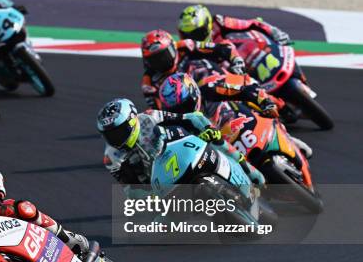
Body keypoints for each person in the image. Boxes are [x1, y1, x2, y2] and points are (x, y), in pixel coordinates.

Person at [96, 98, 265, 193]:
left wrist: (208, 129)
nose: (115, 138)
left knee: (217, 139)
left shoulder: (150, 116)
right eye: (109, 135)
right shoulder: (111, 158)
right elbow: (129, 190)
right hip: (159, 185)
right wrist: (146, 198)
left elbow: (191, 117)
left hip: (175, 151)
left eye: (118, 131)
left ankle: (249, 171)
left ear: (132, 121)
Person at [156, 73, 313, 158]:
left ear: (194, 93)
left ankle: (288, 138)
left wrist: (264, 102)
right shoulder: (175, 122)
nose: (184, 109)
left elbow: (240, 90)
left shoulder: (209, 89)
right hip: (222, 148)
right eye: (179, 108)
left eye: (186, 104)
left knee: (260, 109)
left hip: (240, 121)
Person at [140, 29, 246, 109]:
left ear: (173, 47)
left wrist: (237, 61)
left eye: (163, 56)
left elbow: (224, 48)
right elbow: (158, 110)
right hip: (198, 109)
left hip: (221, 81)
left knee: (195, 66)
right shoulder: (148, 83)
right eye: (154, 60)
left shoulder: (186, 46)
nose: (160, 62)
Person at [177, 4, 291, 45]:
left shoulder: (219, 23)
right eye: (187, 36)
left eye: (196, 34)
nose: (192, 40)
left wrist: (273, 32)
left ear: (208, 25)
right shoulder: (184, 51)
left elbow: (252, 23)